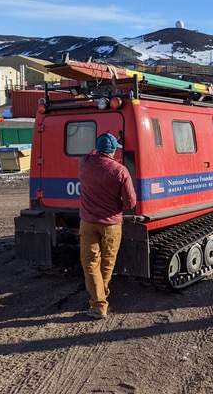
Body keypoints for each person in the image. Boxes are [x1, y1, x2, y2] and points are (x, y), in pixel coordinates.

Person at [79, 133, 136, 320]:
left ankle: (98, 302)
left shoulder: (85, 163)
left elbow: (91, 155)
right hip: (111, 224)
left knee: (90, 263)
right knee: (107, 264)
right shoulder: (120, 171)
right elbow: (130, 203)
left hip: (88, 223)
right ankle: (100, 304)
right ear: (113, 150)